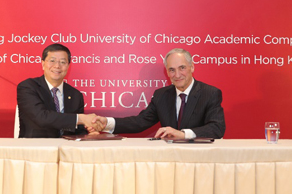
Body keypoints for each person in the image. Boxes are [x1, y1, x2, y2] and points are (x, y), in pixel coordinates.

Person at [94, 48, 225, 139]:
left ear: (192, 67)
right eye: (172, 70)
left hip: (198, 158)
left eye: (182, 68)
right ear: (167, 72)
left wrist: (183, 134)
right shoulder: (161, 95)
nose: (177, 75)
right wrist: (106, 123)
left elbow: (216, 128)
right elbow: (140, 122)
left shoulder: (210, 93)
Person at [17, 43, 103, 138]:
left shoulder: (75, 95)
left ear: (68, 66)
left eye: (62, 62)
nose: (57, 66)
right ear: (43, 64)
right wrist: (81, 118)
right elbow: (41, 117)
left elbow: (78, 130)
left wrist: (88, 135)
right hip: (35, 145)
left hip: (67, 146)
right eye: (52, 61)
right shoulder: (28, 87)